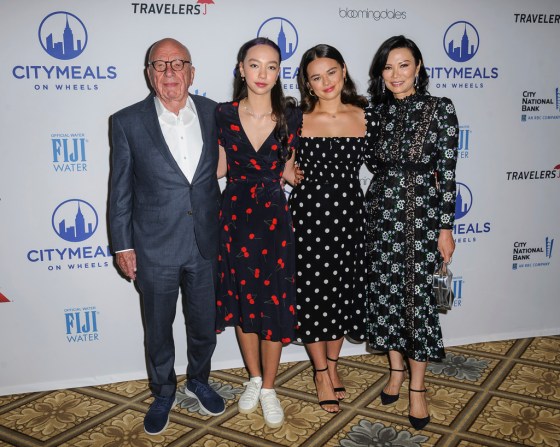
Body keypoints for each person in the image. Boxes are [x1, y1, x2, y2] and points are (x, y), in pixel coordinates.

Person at [109, 37, 225, 436]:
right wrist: (122, 244)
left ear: (192, 73)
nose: (170, 72)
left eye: (179, 64)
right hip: (154, 247)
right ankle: (163, 391)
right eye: (160, 65)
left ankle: (199, 379)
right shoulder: (125, 122)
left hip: (207, 243)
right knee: (157, 328)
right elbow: (120, 189)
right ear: (149, 74)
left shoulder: (217, 114)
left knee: (203, 323)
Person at [365, 35, 458, 430]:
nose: (395, 74)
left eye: (403, 65)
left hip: (422, 214)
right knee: (387, 295)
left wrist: (446, 226)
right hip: (381, 213)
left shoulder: (440, 109)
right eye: (388, 67)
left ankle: (417, 389)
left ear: (419, 67)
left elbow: (449, 173)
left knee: (419, 302)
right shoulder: (374, 113)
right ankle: (395, 372)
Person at [215, 37, 301, 429]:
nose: (262, 74)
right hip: (233, 216)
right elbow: (216, 168)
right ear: (241, 68)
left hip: (273, 220)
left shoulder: (291, 116)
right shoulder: (222, 114)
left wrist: (290, 175)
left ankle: (269, 387)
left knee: (272, 302)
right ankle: (252, 377)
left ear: (279, 71)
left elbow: (289, 168)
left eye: (271, 66)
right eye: (255, 65)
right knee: (243, 302)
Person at [290, 44, 376, 413]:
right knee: (311, 294)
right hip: (308, 216)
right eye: (315, 77)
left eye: (331, 72)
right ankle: (321, 372)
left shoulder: (365, 115)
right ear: (307, 84)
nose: (325, 82)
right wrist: (285, 172)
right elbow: (278, 161)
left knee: (342, 290)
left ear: (343, 71)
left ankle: (335, 366)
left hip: (350, 216)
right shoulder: (297, 118)